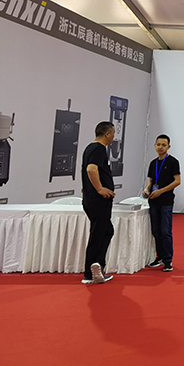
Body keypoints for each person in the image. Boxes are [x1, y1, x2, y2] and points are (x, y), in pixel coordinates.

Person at [82, 122, 116, 284]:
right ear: (107, 134)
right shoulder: (99, 149)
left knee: (107, 230)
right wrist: (100, 188)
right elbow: (90, 169)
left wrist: (87, 186)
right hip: (99, 200)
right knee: (98, 234)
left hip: (91, 198)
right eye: (113, 134)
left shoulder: (89, 148)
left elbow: (84, 170)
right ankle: (91, 271)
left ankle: (97, 264)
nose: (114, 137)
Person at [144, 134, 181, 272]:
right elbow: (151, 181)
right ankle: (159, 256)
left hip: (166, 201)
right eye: (158, 144)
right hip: (153, 201)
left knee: (165, 231)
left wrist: (161, 191)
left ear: (168, 147)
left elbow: (177, 181)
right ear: (155, 145)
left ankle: (168, 260)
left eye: (163, 145)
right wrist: (146, 190)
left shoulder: (173, 162)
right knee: (156, 231)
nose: (160, 147)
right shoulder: (153, 163)